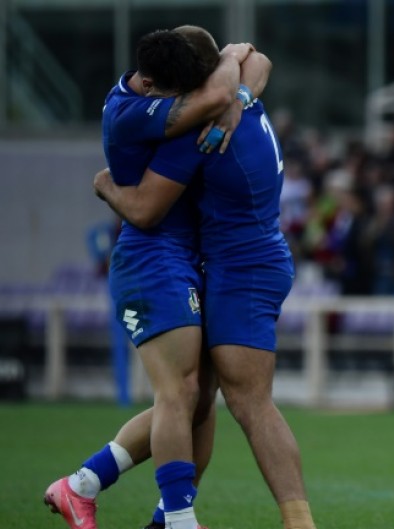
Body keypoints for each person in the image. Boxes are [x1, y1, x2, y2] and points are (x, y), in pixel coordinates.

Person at [44, 26, 269, 529]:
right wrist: (107, 188)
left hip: (188, 257)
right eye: (179, 96)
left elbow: (253, 59)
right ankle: (180, 520)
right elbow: (145, 213)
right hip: (152, 259)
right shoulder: (133, 117)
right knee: (179, 392)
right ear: (149, 85)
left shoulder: (165, 85)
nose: (189, 103)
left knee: (198, 396)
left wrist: (238, 97)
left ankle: (86, 486)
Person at [92, 27, 317, 529]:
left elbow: (147, 211)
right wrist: (238, 92)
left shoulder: (195, 129)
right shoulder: (241, 97)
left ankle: (294, 522)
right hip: (252, 258)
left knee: (240, 401)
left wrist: (106, 185)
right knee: (194, 396)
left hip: (240, 269)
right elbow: (249, 55)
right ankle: (116, 495)